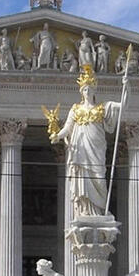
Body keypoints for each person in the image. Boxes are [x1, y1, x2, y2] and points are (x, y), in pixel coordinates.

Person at [50, 64, 123, 218]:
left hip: (96, 148)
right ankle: (84, 211)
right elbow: (68, 128)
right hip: (81, 149)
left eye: (90, 88)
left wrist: (127, 87)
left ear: (95, 90)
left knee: (99, 178)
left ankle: (100, 210)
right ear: (81, 92)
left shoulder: (102, 108)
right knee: (82, 179)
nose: (87, 91)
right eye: (85, 89)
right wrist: (58, 135)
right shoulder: (75, 109)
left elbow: (123, 105)